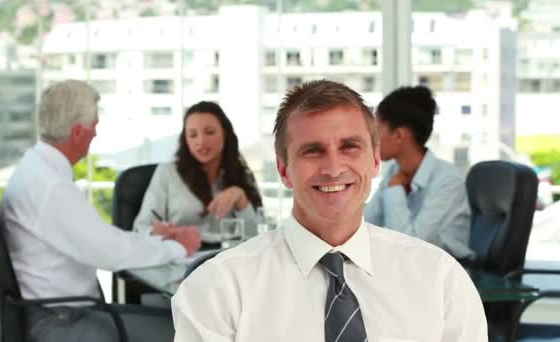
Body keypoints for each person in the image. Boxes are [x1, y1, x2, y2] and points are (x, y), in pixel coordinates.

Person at [172, 80, 487, 341]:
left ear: (375, 161)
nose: (334, 169)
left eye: (350, 147)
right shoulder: (218, 288)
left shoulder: (441, 280)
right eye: (313, 151)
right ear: (284, 171)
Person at [0, 80, 201, 342]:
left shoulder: (35, 169)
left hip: (58, 313)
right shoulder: (51, 187)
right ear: (77, 132)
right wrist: (179, 248)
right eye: (94, 125)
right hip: (62, 322)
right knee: (187, 330)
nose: (95, 133)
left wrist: (157, 240)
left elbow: (101, 238)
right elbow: (110, 252)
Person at [364, 85, 474, 261]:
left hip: (445, 280)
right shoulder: (395, 171)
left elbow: (410, 248)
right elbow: (365, 224)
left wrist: (394, 190)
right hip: (408, 274)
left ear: (399, 135)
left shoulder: (448, 180)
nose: (370, 138)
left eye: (376, 129)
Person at [133, 101, 263, 242]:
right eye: (193, 135)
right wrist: (155, 232)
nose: (201, 141)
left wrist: (240, 198)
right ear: (185, 140)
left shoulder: (240, 174)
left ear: (225, 133)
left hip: (226, 258)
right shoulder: (167, 173)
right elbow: (140, 229)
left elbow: (256, 238)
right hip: (182, 258)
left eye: (209, 132)